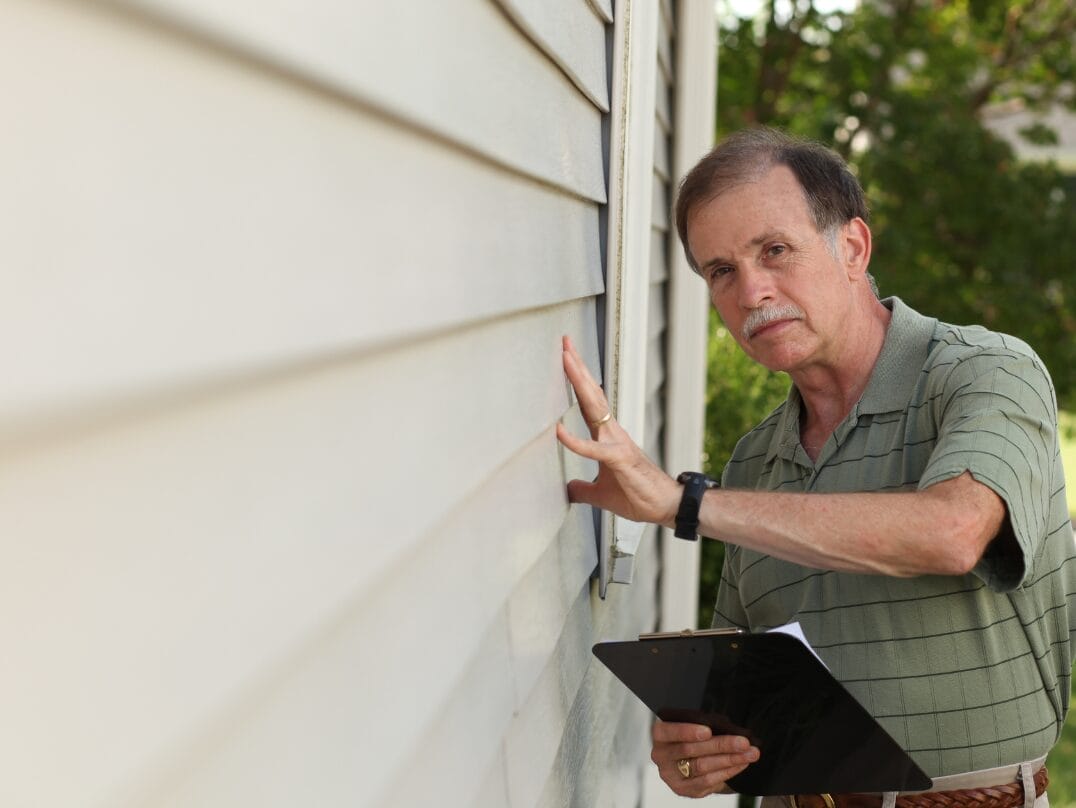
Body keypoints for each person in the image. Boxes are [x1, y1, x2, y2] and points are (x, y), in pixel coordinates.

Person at [557, 128, 1075, 806]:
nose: (750, 291)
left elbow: (953, 532)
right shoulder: (755, 459)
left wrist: (683, 502)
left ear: (853, 247)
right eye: (721, 271)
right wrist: (699, 754)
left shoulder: (983, 372)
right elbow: (744, 696)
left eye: (774, 250)